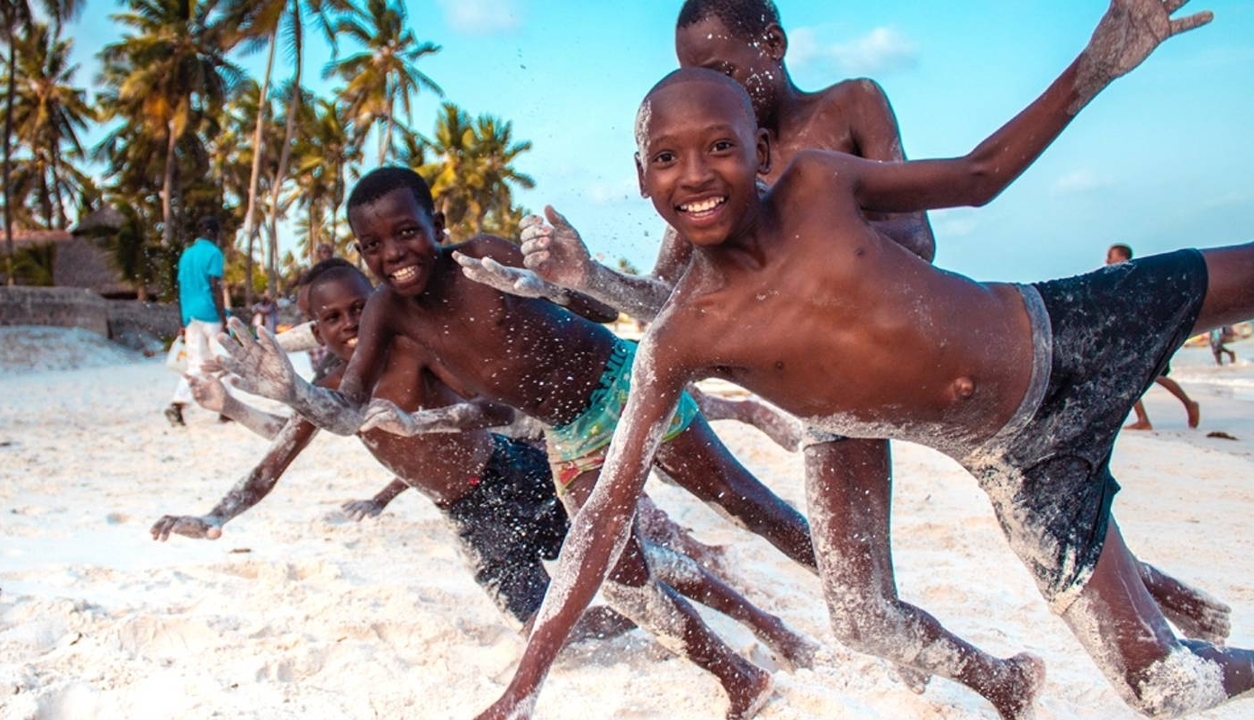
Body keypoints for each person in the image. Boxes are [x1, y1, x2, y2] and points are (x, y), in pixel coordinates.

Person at [478, 3, 1249, 718]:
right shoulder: (684, 333)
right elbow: (603, 517)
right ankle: (1023, 672)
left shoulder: (820, 177)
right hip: (1015, 457)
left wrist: (1098, 63)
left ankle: (1168, 600)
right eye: (669, 158)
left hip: (1063, 328)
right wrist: (524, 688)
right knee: (1169, 686)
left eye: (721, 144)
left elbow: (977, 179)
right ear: (643, 176)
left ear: (762, 150)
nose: (697, 173)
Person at [217, 167, 842, 718]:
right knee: (625, 585)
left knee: (745, 503)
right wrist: (294, 391)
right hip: (567, 437)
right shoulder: (387, 311)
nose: (393, 253)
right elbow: (349, 410)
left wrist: (543, 281)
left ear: (435, 223)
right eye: (373, 246)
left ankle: (862, 600)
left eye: (406, 232)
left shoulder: (483, 254)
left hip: (624, 388)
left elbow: (592, 311)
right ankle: (740, 676)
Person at [156, 261, 816, 668]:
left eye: (360, 307)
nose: (351, 322)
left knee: (617, 558)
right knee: (569, 623)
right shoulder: (327, 391)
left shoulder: (412, 352)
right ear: (317, 331)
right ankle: (666, 585)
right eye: (332, 317)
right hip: (471, 520)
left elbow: (483, 408)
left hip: (512, 472)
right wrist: (213, 512)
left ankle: (755, 616)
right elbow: (277, 452)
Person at [1107, 243, 1202, 429]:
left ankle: (1188, 404)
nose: (1107, 261)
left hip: (1147, 337)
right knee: (1127, 378)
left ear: (1123, 258)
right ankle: (1144, 419)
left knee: (1155, 376)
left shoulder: (1133, 276)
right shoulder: (1122, 278)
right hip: (1135, 337)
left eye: (1111, 257)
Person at [165, 215, 228, 427]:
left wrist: (181, 321)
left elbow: (180, 290)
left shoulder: (186, 255)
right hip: (210, 314)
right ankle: (227, 409)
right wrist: (223, 318)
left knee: (196, 363)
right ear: (213, 233)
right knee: (224, 360)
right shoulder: (214, 253)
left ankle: (177, 403)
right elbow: (214, 286)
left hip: (190, 316)